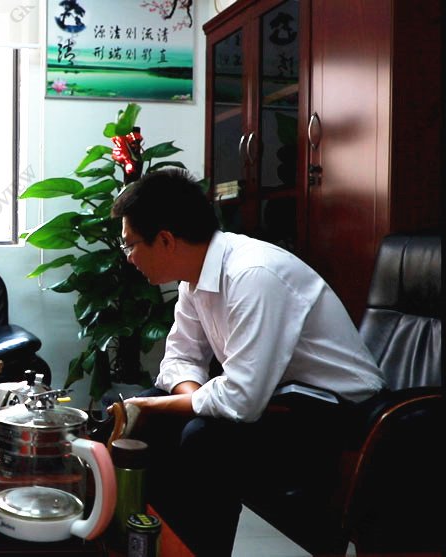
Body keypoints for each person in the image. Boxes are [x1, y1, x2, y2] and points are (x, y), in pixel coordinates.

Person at [108, 168, 384, 555]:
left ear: (166, 239)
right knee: (144, 418)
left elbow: (241, 398)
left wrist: (165, 407)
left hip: (339, 411)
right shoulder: (194, 276)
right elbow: (181, 358)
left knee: (203, 438)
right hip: (278, 399)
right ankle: (153, 545)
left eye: (130, 245)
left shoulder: (253, 274)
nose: (129, 257)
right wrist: (173, 403)